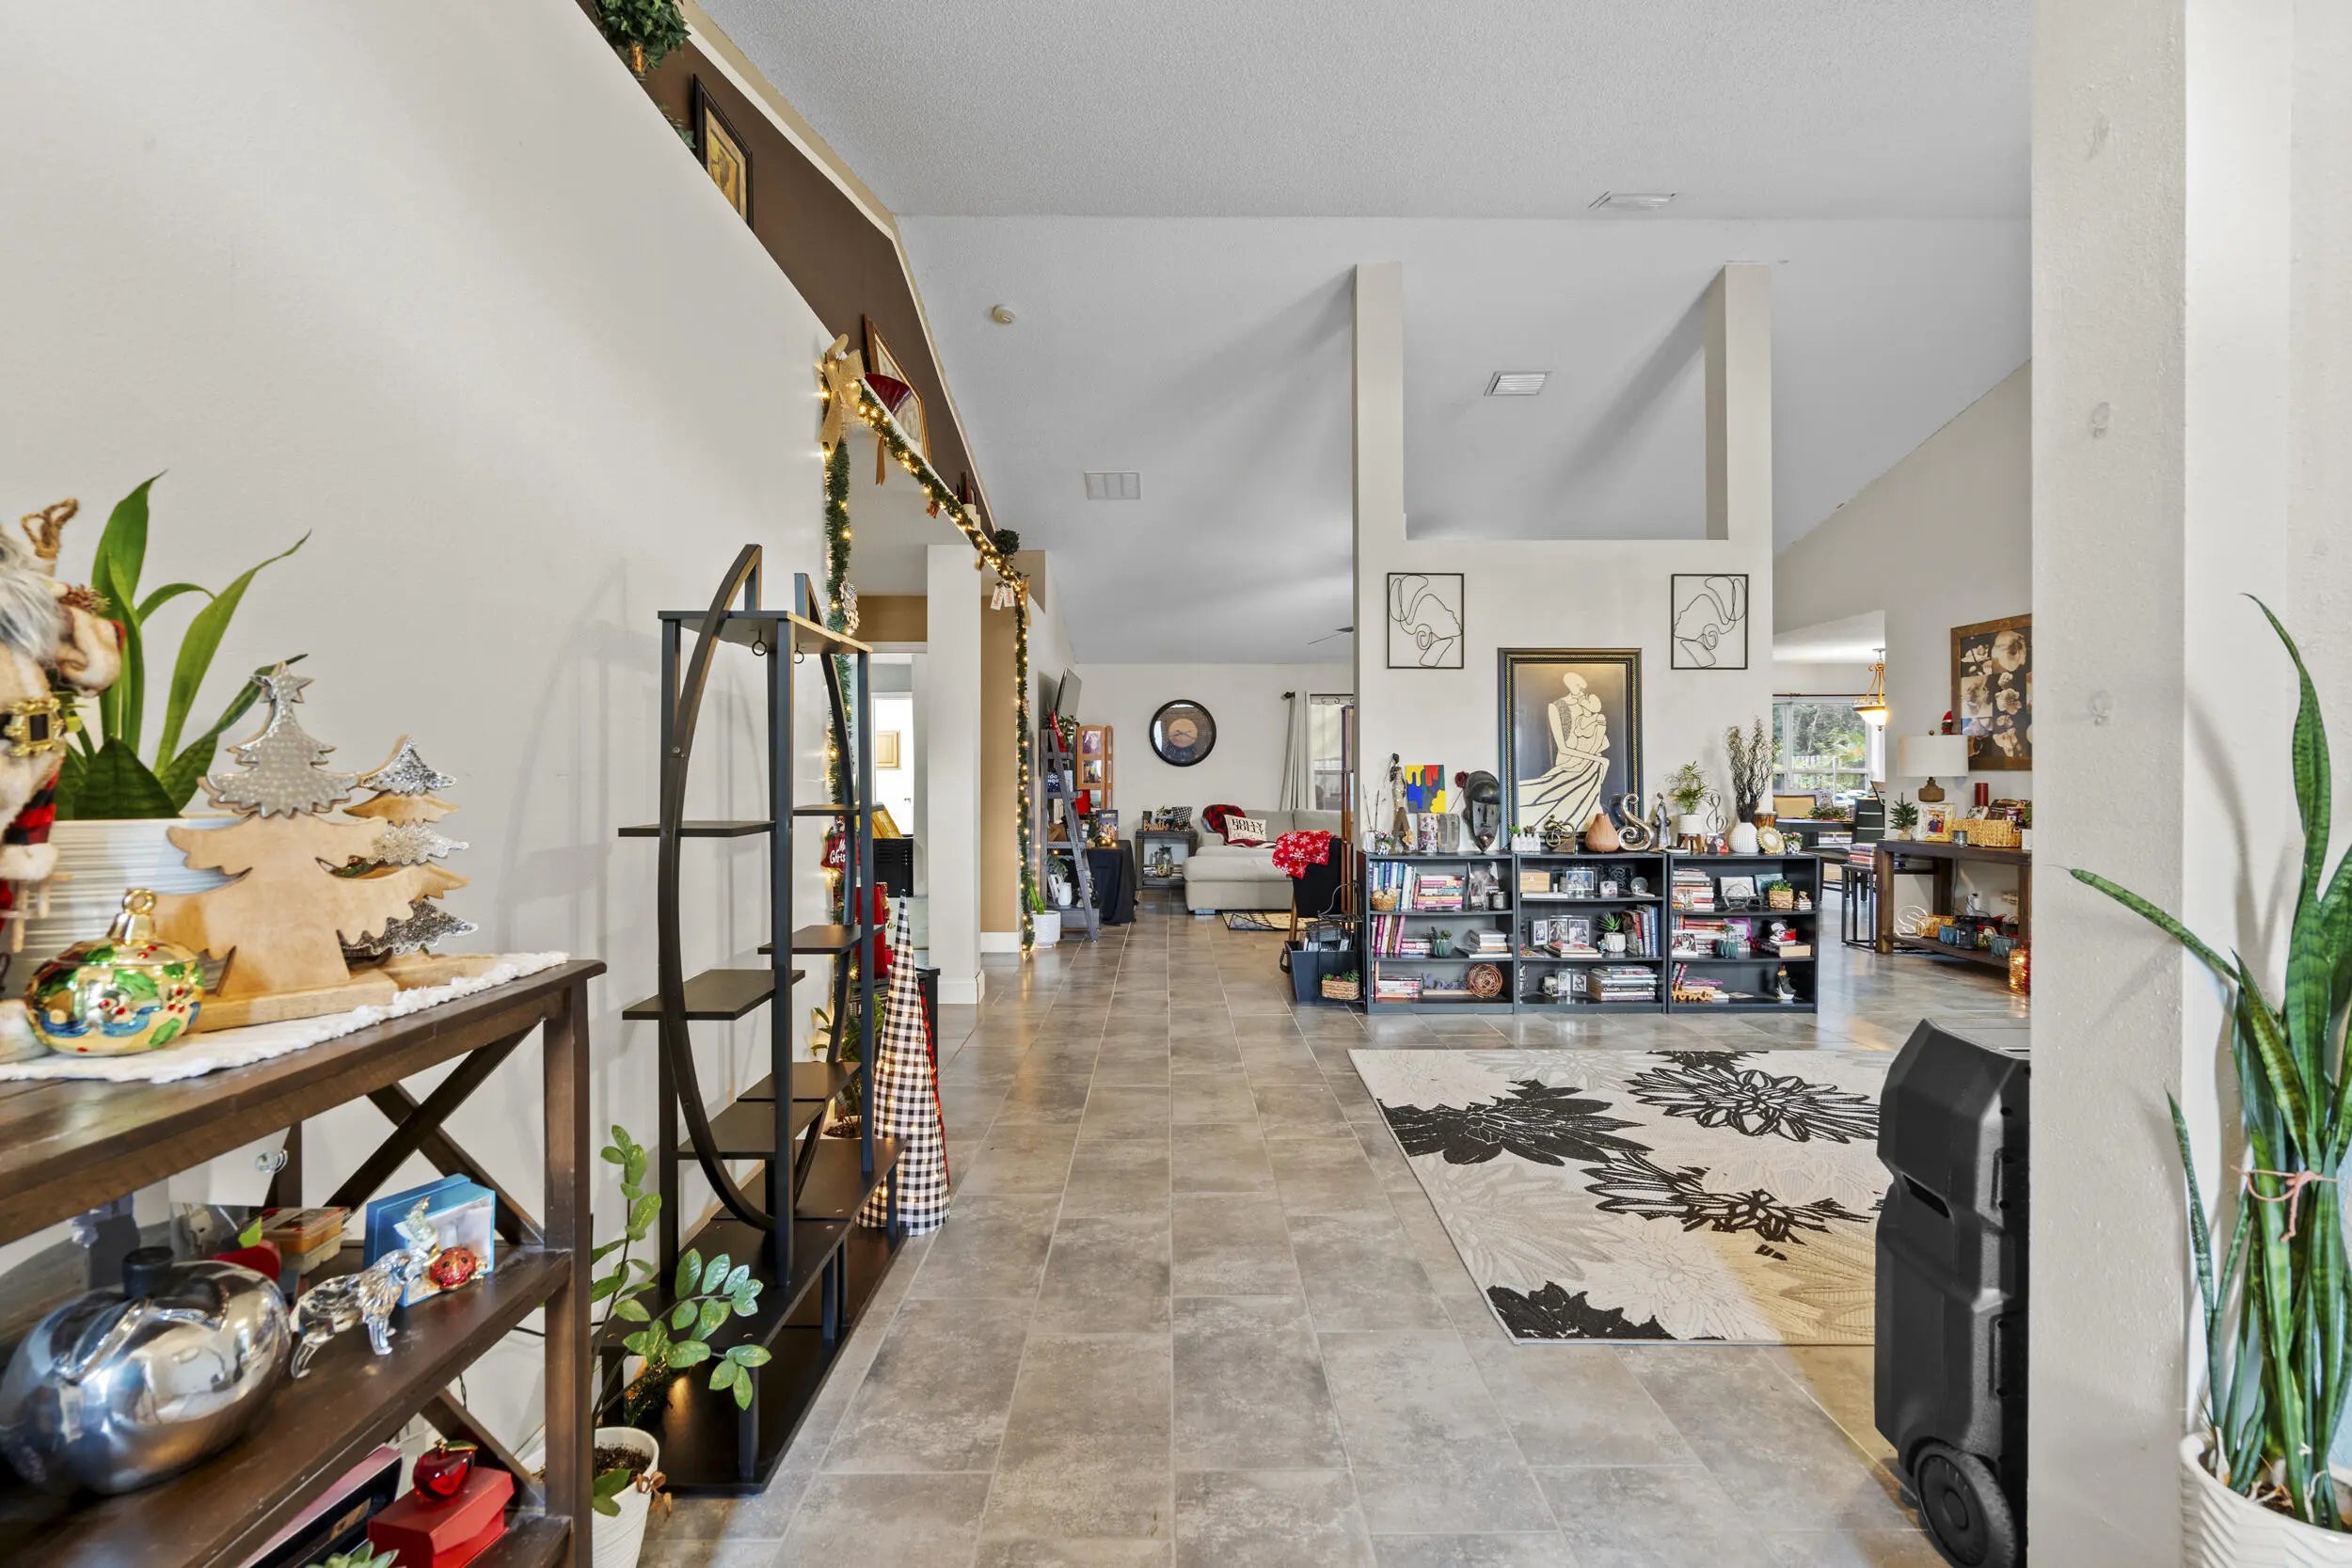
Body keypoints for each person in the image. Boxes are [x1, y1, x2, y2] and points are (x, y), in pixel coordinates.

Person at [1516, 673, 1610, 829]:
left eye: (1583, 687)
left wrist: (1595, 759)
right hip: (1570, 762)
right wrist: (1596, 759)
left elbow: (1599, 742)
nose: (1582, 691)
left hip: (1589, 763)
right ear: (1568, 684)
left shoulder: (1594, 713)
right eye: (1578, 685)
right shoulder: (1557, 707)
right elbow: (1563, 748)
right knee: (1546, 796)